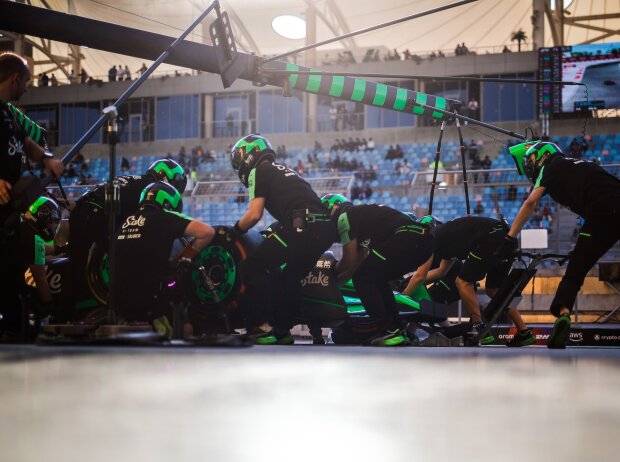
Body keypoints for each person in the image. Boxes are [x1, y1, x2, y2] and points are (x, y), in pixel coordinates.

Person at [499, 140, 620, 348]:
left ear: (539, 159)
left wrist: (510, 237)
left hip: (601, 214)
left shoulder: (550, 167)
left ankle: (563, 314)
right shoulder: (582, 163)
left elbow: (530, 202)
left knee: (575, 271)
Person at [229, 134, 335, 344]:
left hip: (301, 226)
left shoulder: (258, 172)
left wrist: (232, 232)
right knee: (290, 276)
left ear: (247, 158)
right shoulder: (287, 171)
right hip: (324, 229)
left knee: (252, 266)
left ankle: (261, 327)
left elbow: (253, 215)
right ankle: (282, 329)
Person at [0, 52, 64, 339]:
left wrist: (46, 157)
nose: (27, 88)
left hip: (13, 211)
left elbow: (26, 143)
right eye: (26, 81)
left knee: (14, 272)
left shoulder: (7, 113)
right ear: (15, 79)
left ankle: (17, 331)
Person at [68, 158, 186, 311]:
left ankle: (68, 314)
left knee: (75, 269)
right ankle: (127, 305)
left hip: (81, 212)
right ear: (167, 178)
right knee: (125, 254)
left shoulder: (133, 180)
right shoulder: (149, 190)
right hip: (98, 216)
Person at [404, 215, 536, 347]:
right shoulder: (447, 237)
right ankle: (523, 331)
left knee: (462, 282)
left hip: (491, 238)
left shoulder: (430, 238)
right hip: (507, 239)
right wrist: (413, 281)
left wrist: (402, 298)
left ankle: (478, 329)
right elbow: (441, 271)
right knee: (494, 290)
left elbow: (420, 276)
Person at [323, 194, 434, 346]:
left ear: (332, 209)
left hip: (407, 238)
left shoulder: (344, 217)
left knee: (362, 278)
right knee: (375, 279)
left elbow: (348, 261)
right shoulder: (360, 218)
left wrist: (331, 274)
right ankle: (397, 330)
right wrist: (335, 286)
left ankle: (387, 330)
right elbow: (356, 263)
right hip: (423, 244)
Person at [113, 181, 214, 330]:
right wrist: (185, 257)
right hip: (151, 303)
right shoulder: (164, 217)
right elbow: (207, 232)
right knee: (188, 328)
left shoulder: (124, 223)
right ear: (169, 202)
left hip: (120, 306)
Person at [19, 196, 64, 331]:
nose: (54, 226)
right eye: (54, 221)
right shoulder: (34, 239)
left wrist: (60, 249)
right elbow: (41, 280)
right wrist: (50, 309)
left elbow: (39, 249)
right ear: (44, 218)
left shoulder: (22, 227)